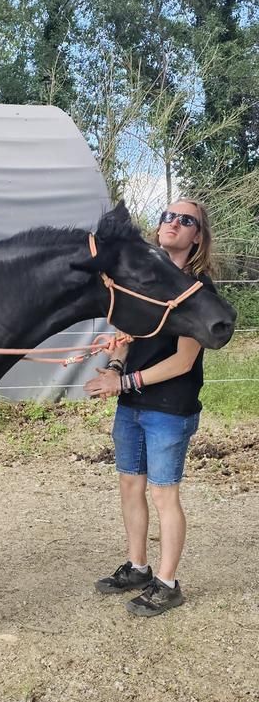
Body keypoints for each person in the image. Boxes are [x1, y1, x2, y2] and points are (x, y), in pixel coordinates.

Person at [85, 198, 218, 618]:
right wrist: (113, 365)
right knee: (130, 487)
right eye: (168, 216)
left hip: (170, 408)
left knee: (164, 493)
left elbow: (183, 361)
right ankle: (138, 567)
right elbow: (124, 335)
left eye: (186, 220)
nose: (173, 223)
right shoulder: (143, 281)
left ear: (198, 235)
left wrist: (121, 382)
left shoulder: (198, 292)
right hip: (132, 405)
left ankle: (168, 583)